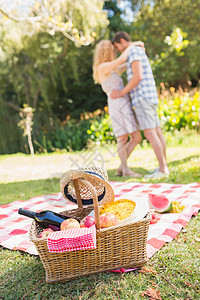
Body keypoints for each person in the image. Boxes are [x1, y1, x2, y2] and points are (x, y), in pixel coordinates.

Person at [110, 31, 169, 179]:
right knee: (157, 132)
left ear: (122, 41)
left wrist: (122, 92)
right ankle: (163, 166)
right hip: (149, 97)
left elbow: (137, 76)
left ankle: (163, 170)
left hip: (142, 98)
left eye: (117, 47)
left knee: (150, 133)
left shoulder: (134, 51)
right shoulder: (135, 50)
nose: (118, 50)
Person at [93, 40, 142, 177]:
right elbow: (121, 60)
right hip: (117, 104)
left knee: (136, 137)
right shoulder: (102, 67)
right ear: (107, 51)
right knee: (122, 138)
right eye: (112, 50)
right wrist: (132, 45)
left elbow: (125, 64)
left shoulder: (111, 68)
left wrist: (138, 57)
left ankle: (122, 167)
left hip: (123, 102)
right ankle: (126, 170)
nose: (115, 52)